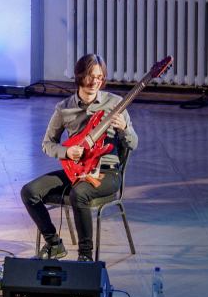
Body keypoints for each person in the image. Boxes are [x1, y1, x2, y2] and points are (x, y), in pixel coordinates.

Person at [21, 53, 138, 261]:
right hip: (77, 170)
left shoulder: (115, 104)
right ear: (79, 75)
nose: (95, 82)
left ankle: (85, 256)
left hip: (107, 173)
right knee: (29, 191)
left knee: (79, 193)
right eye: (90, 76)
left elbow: (133, 144)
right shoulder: (64, 108)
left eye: (99, 77)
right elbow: (47, 144)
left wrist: (125, 129)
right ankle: (54, 244)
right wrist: (66, 152)